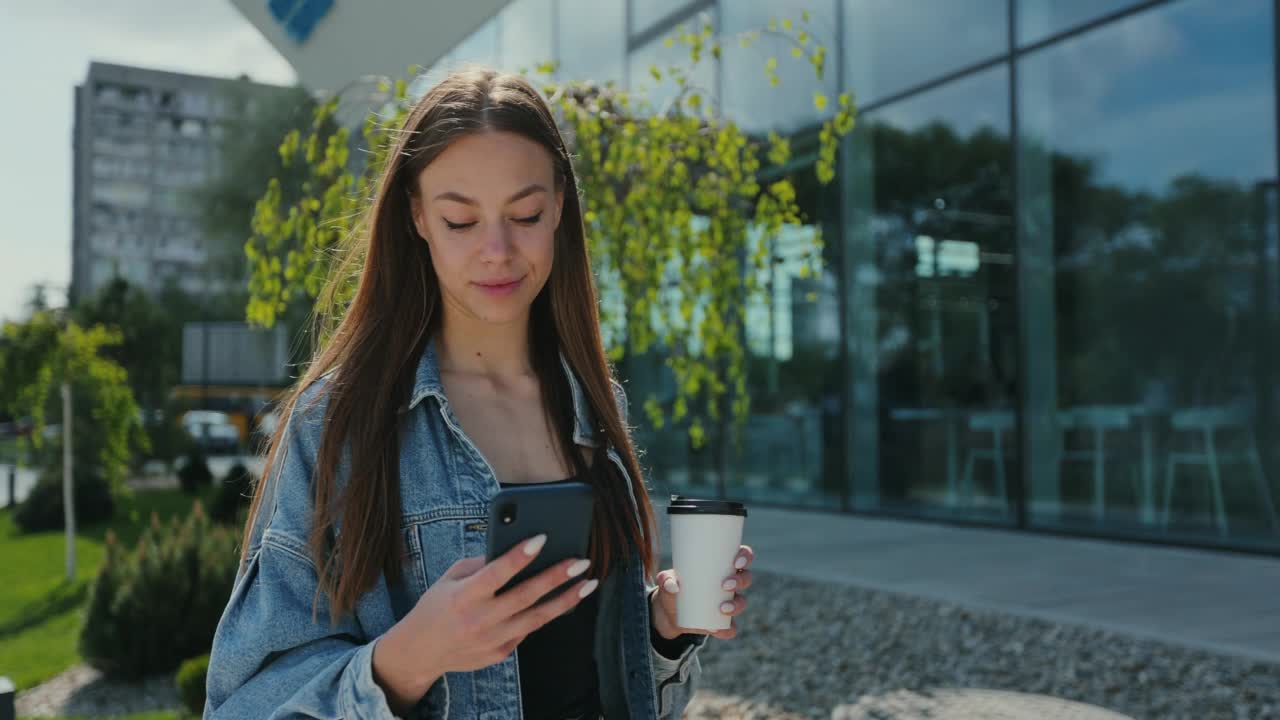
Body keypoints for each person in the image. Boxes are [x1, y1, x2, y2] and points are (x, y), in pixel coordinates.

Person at [203, 67, 755, 720]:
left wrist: (663, 629)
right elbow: (243, 706)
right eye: (461, 220)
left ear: (557, 208)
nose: (497, 250)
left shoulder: (596, 404)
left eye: (524, 214)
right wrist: (409, 656)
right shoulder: (337, 424)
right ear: (416, 217)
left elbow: (601, 682)